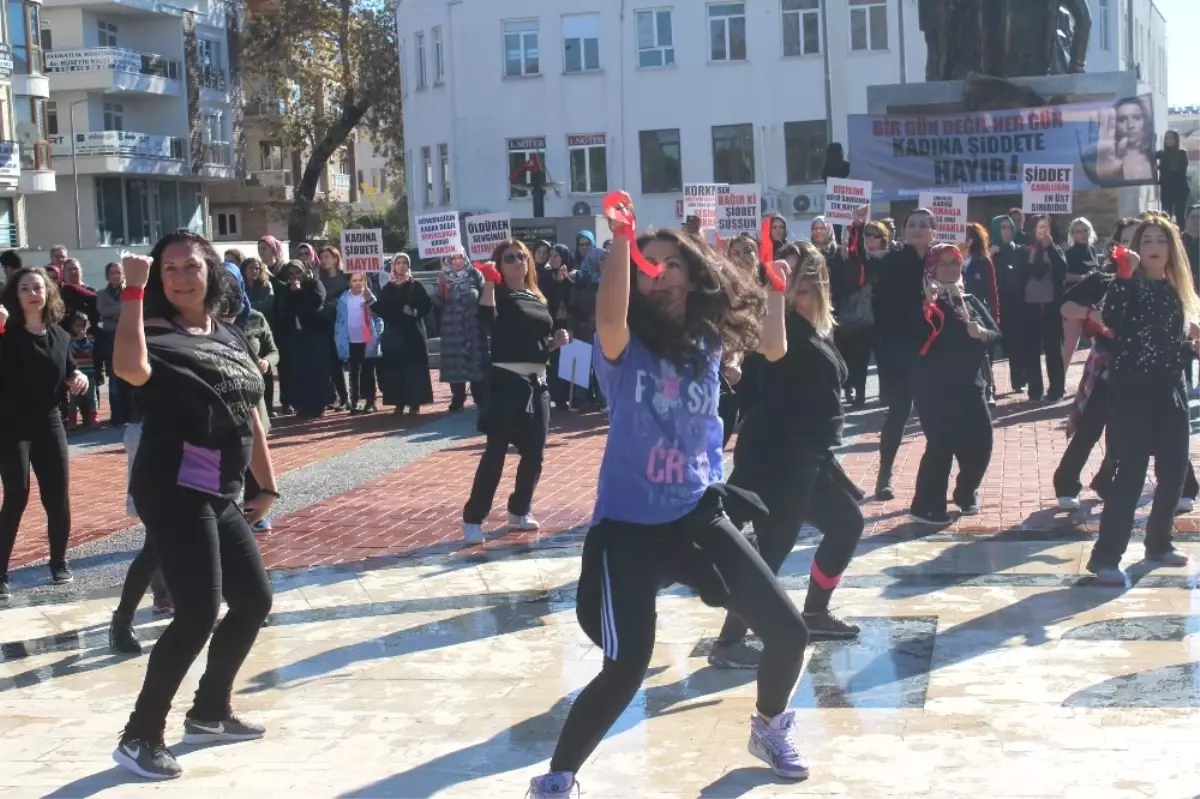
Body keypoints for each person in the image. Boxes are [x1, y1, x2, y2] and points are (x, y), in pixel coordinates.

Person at [527, 211, 809, 798]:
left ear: (693, 272)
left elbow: (775, 348)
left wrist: (777, 292)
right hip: (628, 531)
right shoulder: (623, 349)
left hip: (699, 514)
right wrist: (621, 241)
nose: (656, 275)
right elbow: (607, 314)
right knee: (628, 665)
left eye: (669, 262)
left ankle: (769, 726)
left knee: (788, 631)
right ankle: (557, 779)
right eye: (645, 267)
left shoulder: (707, 341)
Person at [110, 232, 277, 780]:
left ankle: (208, 711)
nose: (181, 277)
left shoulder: (229, 333)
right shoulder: (154, 332)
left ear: (210, 271)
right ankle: (140, 736)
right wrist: (133, 292)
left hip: (221, 488)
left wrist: (266, 483)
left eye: (190, 266)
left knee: (252, 599)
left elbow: (250, 409)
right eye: (168, 270)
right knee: (198, 612)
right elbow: (130, 370)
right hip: (172, 485)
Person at [708, 242, 865, 671]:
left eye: (801, 284)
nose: (792, 291)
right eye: (784, 281)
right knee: (771, 550)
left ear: (819, 286)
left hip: (809, 454)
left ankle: (814, 612)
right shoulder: (780, 326)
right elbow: (761, 345)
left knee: (846, 523)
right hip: (778, 455)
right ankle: (727, 644)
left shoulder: (814, 329)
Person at [1085, 216, 1199, 585]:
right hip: (1132, 390)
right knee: (1130, 474)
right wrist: (1123, 275)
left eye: (1161, 240)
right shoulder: (1127, 285)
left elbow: (1169, 344)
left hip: (1170, 389)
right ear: (1136, 247)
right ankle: (1106, 557)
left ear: (1171, 249)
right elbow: (1110, 318)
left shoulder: (1174, 289)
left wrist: (1191, 349)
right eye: (1146, 239)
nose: (1154, 246)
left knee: (1175, 471)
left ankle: (1158, 543)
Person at [461, 240, 569, 543]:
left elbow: (538, 343)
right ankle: (473, 517)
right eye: (509, 257)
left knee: (535, 453)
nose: (517, 261)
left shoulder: (537, 296)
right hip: (508, 382)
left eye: (521, 256)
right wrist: (489, 284)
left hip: (538, 382)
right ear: (499, 263)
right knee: (496, 453)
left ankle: (520, 509)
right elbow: (486, 322)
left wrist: (555, 343)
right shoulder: (499, 294)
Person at [0, 268, 90, 600]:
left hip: (50, 422)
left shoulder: (60, 336)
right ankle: (0, 572)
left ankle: (58, 562)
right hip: (11, 425)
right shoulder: (5, 334)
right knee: (16, 495)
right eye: (25, 288)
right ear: (16, 295)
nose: (32, 293)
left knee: (57, 496)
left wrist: (78, 376)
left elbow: (69, 369)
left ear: (48, 292)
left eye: (38, 287)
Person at [909, 244, 1001, 524]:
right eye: (943, 263)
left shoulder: (969, 299)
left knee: (981, 445)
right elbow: (915, 340)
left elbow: (997, 334)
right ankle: (926, 506)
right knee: (941, 446)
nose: (949, 268)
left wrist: (982, 333)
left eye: (955, 262)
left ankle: (965, 492)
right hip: (934, 388)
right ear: (932, 267)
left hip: (971, 385)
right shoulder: (923, 301)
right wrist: (927, 306)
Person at [867, 208, 937, 500]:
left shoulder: (940, 260)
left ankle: (936, 479)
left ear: (934, 231)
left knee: (936, 416)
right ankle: (885, 475)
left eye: (924, 225)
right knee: (899, 412)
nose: (917, 229)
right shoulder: (893, 261)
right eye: (912, 224)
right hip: (899, 349)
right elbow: (883, 309)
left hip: (935, 349)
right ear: (904, 230)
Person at [374, 254, 433, 415]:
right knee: (396, 368)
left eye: (404, 263)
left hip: (414, 333)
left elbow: (427, 305)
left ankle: (415, 402)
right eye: (398, 263)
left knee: (414, 368)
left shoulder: (416, 285)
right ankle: (398, 402)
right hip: (395, 334)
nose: (401, 266)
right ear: (393, 266)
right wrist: (368, 300)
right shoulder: (388, 287)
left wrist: (414, 311)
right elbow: (381, 309)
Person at [1017, 215, 1067, 402]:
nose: (1043, 231)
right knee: (1031, 350)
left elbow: (1062, 270)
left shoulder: (1056, 250)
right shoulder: (1024, 251)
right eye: (1040, 227)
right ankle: (1035, 390)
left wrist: (1050, 249)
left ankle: (1056, 390)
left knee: (1054, 350)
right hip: (1029, 307)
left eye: (1046, 227)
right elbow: (1018, 278)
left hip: (1051, 307)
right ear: (1033, 230)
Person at [275, 259, 330, 418]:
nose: (294, 276)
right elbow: (283, 308)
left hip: (315, 333)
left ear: (304, 271)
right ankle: (304, 404)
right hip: (296, 334)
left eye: (297, 272)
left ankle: (319, 405)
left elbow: (317, 302)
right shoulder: (286, 289)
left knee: (317, 370)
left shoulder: (314, 284)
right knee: (300, 371)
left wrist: (299, 292)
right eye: (290, 273)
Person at [436, 252, 488, 412]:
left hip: (474, 326)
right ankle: (457, 397)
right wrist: (441, 286)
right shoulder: (444, 276)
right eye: (453, 258)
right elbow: (438, 303)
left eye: (459, 257)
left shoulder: (475, 274)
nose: (457, 261)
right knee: (456, 363)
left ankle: (479, 395)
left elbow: (485, 296)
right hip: (453, 327)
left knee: (476, 361)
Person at [334, 271, 383, 414]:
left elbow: (378, 317)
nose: (357, 283)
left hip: (367, 338)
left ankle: (370, 401)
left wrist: (377, 334)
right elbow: (340, 318)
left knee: (368, 371)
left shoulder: (369, 297)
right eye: (354, 280)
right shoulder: (344, 297)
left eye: (360, 280)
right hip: (351, 339)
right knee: (353, 372)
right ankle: (354, 401)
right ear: (349, 282)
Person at [964, 222, 1000, 405]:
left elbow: (992, 290)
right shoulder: (949, 257)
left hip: (978, 310)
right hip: (957, 311)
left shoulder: (982, 260)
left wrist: (995, 315)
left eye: (968, 236)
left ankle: (989, 389)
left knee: (984, 352)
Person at [1061, 217, 1100, 368]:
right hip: (1075, 301)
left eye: (1085, 230)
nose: (1083, 234)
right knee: (1071, 343)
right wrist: (1082, 277)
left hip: (1094, 301)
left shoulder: (1093, 251)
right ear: (1073, 234)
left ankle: (1095, 379)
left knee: (1098, 342)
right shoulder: (1069, 254)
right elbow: (1063, 277)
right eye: (1078, 231)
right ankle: (1059, 381)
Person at [96, 261, 132, 426]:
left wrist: (117, 312)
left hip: (131, 339)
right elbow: (104, 311)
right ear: (107, 275)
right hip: (111, 340)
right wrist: (123, 308)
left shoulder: (131, 291)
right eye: (112, 273)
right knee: (115, 379)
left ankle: (133, 415)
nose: (116, 276)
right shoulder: (102, 294)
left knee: (132, 378)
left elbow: (135, 310)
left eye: (118, 272)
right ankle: (117, 417)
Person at [318, 246, 351, 411]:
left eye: (327, 257)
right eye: (322, 257)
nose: (324, 260)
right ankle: (342, 396)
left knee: (353, 361)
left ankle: (357, 396)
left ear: (336, 258)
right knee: (334, 362)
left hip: (347, 323)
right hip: (329, 323)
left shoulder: (347, 276)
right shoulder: (321, 279)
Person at [67, 311, 102, 429]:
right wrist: (78, 340)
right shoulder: (69, 339)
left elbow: (87, 349)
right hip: (75, 375)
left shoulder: (91, 338)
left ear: (87, 326)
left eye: (82, 326)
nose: (80, 329)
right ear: (72, 326)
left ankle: (94, 418)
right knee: (73, 400)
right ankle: (72, 421)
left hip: (89, 374)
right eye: (77, 326)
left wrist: (82, 340)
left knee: (92, 398)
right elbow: (72, 351)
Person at [1157, 131, 1191, 230]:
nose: (1168, 140)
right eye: (1166, 138)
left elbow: (1176, 169)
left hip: (1180, 188)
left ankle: (1182, 237)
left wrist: (1159, 167)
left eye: (1171, 138)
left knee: (1179, 214)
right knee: (1166, 214)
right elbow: (1149, 157)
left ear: (1176, 139)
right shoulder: (1161, 153)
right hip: (1166, 188)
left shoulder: (1181, 153)